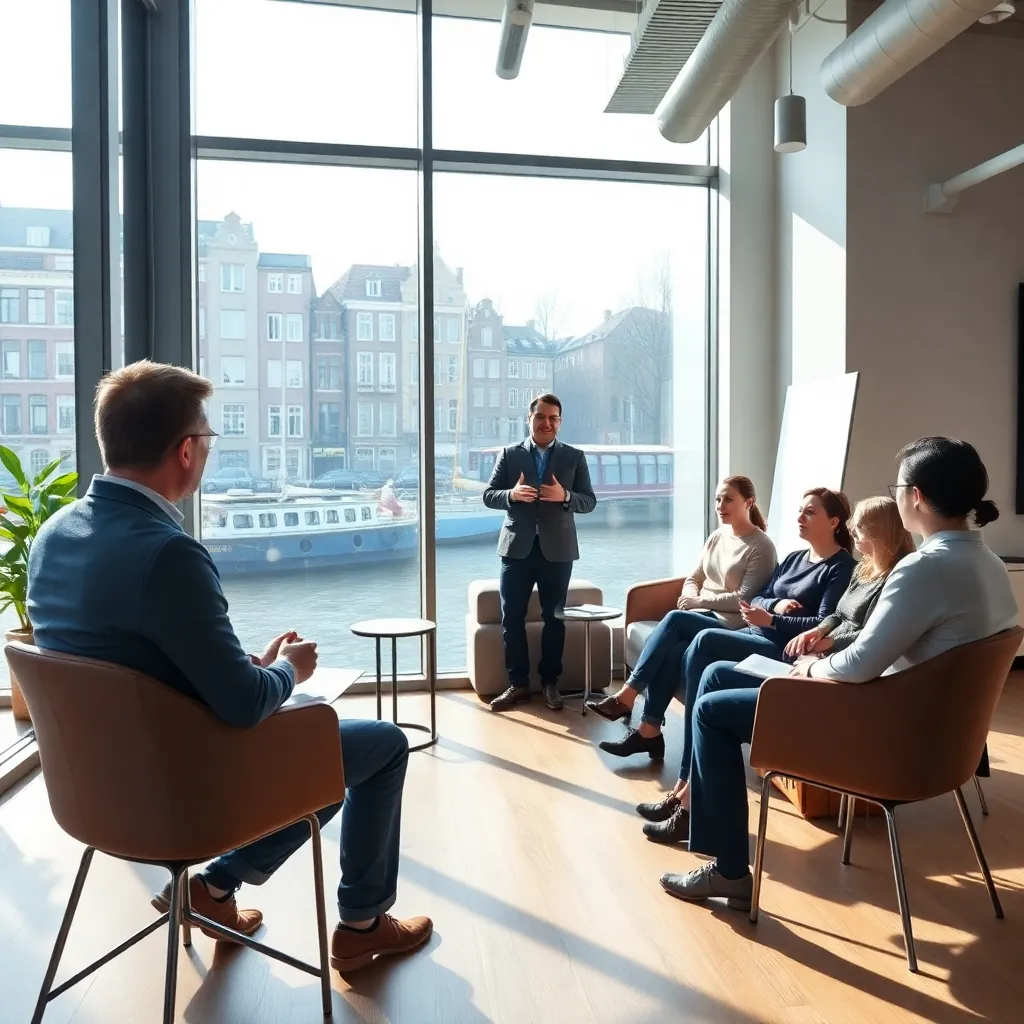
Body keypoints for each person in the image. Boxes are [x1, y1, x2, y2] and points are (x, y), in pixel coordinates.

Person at [26, 361, 431, 973]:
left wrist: (244, 666)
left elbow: (124, 660)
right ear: (186, 450)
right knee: (375, 744)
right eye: (208, 438)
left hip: (92, 789)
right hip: (182, 795)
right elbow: (242, 707)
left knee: (317, 753)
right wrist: (288, 670)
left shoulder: (54, 535)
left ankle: (212, 893)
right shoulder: (169, 554)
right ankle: (362, 924)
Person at [659, 438, 1018, 910]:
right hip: (941, 744)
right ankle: (693, 813)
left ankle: (727, 869)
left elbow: (858, 664)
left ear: (917, 496)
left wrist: (809, 666)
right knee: (721, 674)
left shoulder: (921, 570)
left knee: (709, 711)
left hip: (882, 737)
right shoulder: (992, 565)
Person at [640, 494, 913, 844]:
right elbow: (828, 615)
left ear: (879, 530)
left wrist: (805, 632)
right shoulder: (861, 569)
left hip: (807, 662)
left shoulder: (864, 572)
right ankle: (686, 789)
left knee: (702, 647)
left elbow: (866, 634)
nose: (852, 532)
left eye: (859, 527)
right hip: (800, 651)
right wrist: (813, 626)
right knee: (705, 665)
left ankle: (689, 799)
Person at [600, 487, 854, 762]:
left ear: (833, 522)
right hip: (755, 632)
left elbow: (823, 622)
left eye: (810, 512)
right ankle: (649, 732)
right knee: (676, 650)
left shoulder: (840, 567)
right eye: (800, 511)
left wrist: (772, 620)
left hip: (779, 647)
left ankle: (657, 724)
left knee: (702, 636)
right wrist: (775, 606)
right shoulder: (795, 558)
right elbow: (760, 596)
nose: (800, 517)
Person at [586, 476, 777, 734]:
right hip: (700, 613)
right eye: (718, 499)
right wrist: (689, 600)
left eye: (729, 499)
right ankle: (649, 731)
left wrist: (699, 601)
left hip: (729, 623)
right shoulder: (717, 536)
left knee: (675, 620)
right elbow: (694, 577)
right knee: (674, 650)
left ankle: (628, 695)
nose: (721, 505)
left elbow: (744, 599)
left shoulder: (762, 546)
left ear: (749, 502)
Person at [482, 393, 597, 712]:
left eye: (554, 418)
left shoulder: (574, 456)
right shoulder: (509, 454)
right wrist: (512, 494)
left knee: (554, 618)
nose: (547, 423)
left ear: (559, 422)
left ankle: (550, 684)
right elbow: (489, 495)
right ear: (528, 419)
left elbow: (589, 501)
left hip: (557, 552)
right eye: (541, 417)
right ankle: (517, 685)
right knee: (512, 619)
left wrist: (565, 496)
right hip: (515, 549)